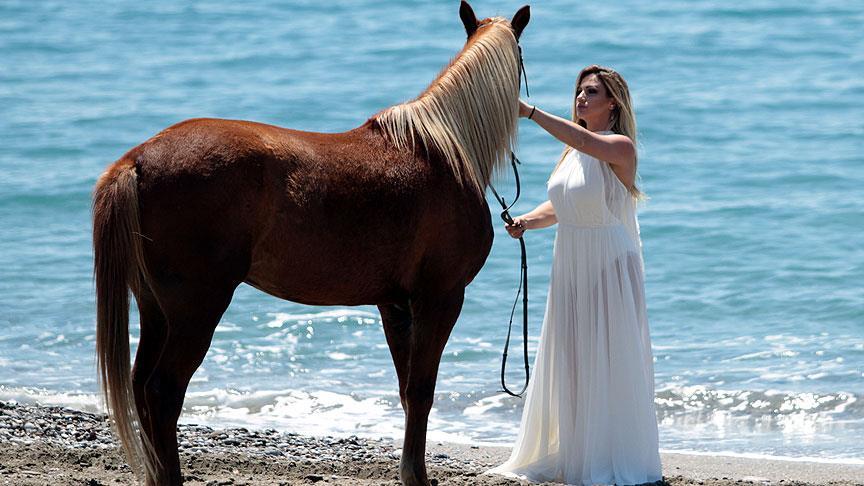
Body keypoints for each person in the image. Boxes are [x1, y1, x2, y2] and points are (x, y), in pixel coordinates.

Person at [488, 65, 662, 485]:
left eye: (592, 92)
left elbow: (583, 140)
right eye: (580, 91)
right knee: (574, 359)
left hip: (608, 261)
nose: (582, 98)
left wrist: (530, 112)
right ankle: (577, 451)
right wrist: (527, 221)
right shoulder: (572, 154)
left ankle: (611, 456)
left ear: (613, 103)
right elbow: (562, 205)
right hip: (570, 258)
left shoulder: (619, 147)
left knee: (607, 360)